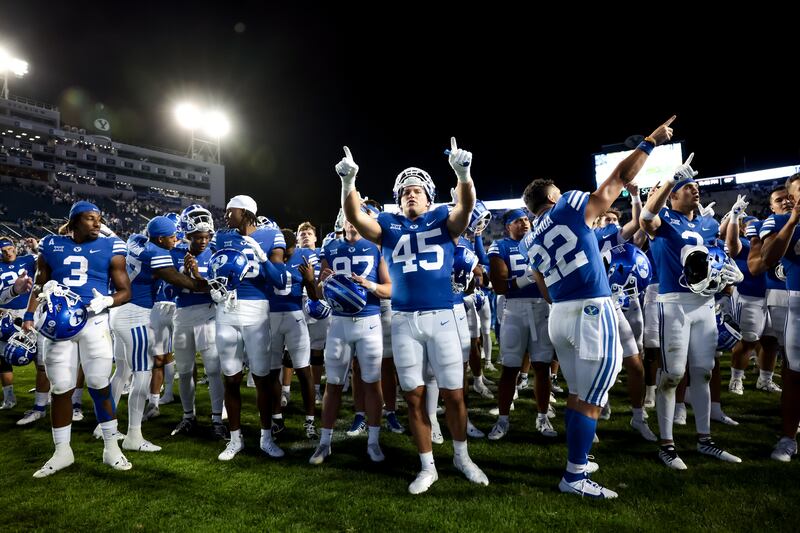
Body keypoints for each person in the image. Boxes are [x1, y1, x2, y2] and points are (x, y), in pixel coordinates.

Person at [522, 116, 675, 498]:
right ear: (554, 199)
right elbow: (619, 179)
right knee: (590, 397)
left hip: (559, 314)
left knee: (578, 392)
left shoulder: (529, 241)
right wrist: (650, 142)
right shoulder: (570, 205)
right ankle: (574, 475)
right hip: (591, 310)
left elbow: (543, 289)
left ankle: (579, 457)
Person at [340, 139, 489, 494]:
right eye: (405, 190)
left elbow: (465, 209)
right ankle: (427, 465)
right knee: (414, 397)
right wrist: (348, 184)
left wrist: (463, 174)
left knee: (454, 394)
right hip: (405, 320)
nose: (411, 194)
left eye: (417, 190)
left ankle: (462, 456)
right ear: (397, 196)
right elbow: (356, 217)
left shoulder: (443, 218)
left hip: (442, 317)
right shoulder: (388, 224)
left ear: (430, 196)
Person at [640, 152, 743, 470]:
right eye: (687, 186)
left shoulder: (709, 223)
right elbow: (645, 218)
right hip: (674, 305)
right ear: (672, 195)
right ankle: (666, 445)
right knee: (672, 375)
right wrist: (672, 177)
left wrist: (729, 272)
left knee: (703, 372)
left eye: (695, 185)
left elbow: (727, 253)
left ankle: (705, 440)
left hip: (704, 306)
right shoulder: (664, 219)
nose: (694, 188)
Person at [22, 201, 132, 477]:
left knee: (98, 384)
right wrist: (31, 311)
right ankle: (62, 451)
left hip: (93, 322)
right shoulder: (51, 244)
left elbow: (125, 291)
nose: (98, 224)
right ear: (73, 222)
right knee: (61, 387)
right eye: (90, 219)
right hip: (59, 328)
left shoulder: (111, 246)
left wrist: (106, 301)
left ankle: (111, 447)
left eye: (99, 219)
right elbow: (39, 282)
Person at [309, 209, 392, 465]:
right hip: (339, 323)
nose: (352, 222)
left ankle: (373, 441)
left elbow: (390, 289)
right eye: (348, 217)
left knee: (372, 382)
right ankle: (324, 443)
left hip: (368, 322)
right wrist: (321, 284)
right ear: (342, 220)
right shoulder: (330, 247)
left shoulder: (377, 246)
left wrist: (371, 286)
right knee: (333, 383)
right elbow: (318, 292)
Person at [487, 209, 556, 441]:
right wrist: (530, 277)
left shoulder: (541, 241)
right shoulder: (500, 246)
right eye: (518, 221)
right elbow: (499, 286)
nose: (524, 223)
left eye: (526, 219)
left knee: (542, 367)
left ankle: (542, 416)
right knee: (510, 368)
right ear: (508, 226)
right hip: (514, 310)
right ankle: (503, 419)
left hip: (541, 308)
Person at [760, 173, 800, 462]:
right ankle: (788, 437)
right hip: (797, 299)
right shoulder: (780, 221)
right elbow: (768, 258)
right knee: (794, 372)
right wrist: (793, 219)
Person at [0, 237, 36, 410]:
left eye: (10, 249)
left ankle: (45, 389)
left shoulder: (28, 259)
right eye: (4, 251)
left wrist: (36, 248)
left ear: (15, 247)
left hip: (28, 312)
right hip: (3, 314)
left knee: (37, 353)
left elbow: (46, 264)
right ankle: (9, 398)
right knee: (3, 358)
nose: (8, 253)